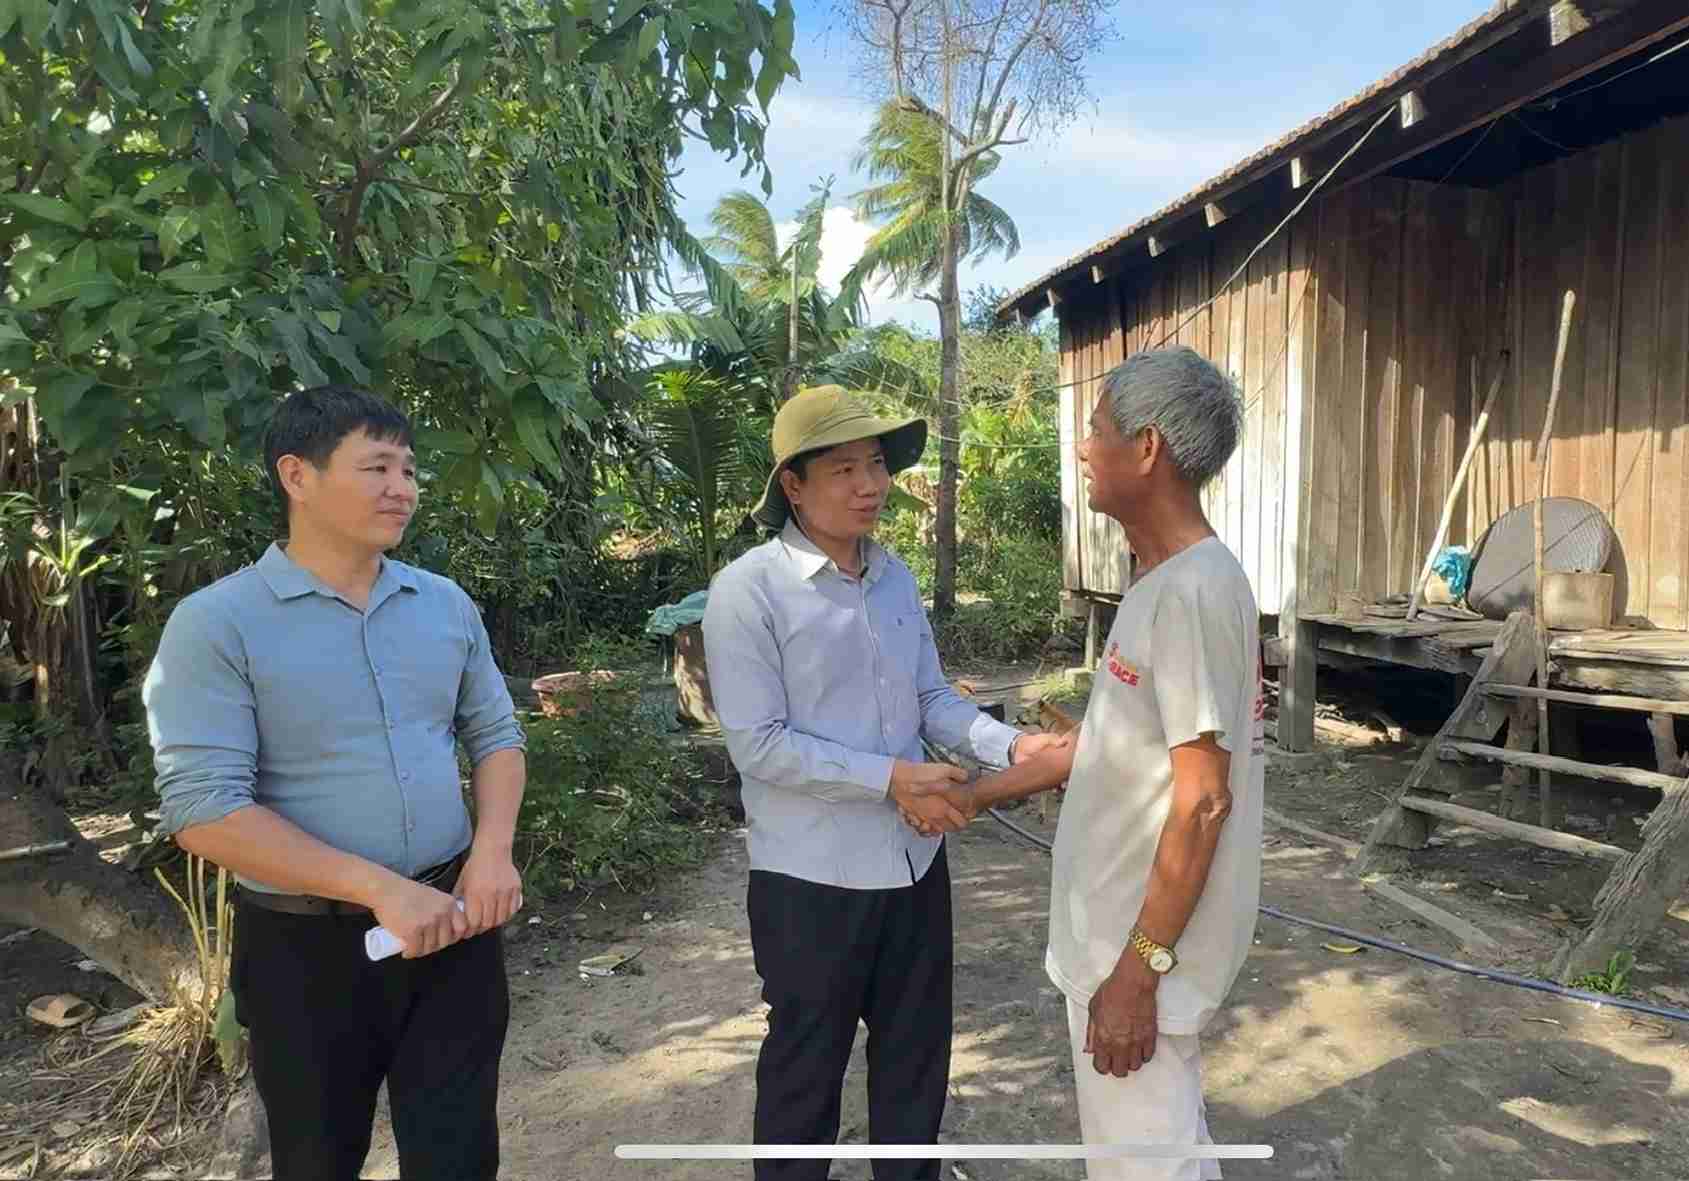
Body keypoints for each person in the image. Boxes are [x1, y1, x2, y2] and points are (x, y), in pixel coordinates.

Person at [143, 385, 527, 1181]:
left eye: (410, 469)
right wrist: (377, 887)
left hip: (454, 927)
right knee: (317, 1159)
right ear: (297, 474)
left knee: (459, 1156)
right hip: (305, 953)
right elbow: (203, 808)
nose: (403, 487)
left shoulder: (443, 604)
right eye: (377, 465)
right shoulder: (219, 623)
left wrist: (492, 853)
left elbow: (495, 735)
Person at [702, 385, 1065, 1181]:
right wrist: (890, 777)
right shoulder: (748, 591)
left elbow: (931, 697)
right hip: (811, 880)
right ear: (791, 485)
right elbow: (758, 745)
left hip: (912, 866)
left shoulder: (893, 576)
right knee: (804, 1071)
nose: (870, 485)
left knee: (914, 1060)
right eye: (843, 468)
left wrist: (1015, 746)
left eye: (875, 465)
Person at [928, 348, 1262, 1180]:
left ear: (1145, 449)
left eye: (1095, 430)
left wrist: (1137, 972)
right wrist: (975, 794)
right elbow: (1108, 747)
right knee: (1163, 1147)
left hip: (1135, 946)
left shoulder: (1190, 592)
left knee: (1141, 1161)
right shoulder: (1158, 583)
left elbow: (1201, 804)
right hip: (1116, 934)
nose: (1082, 448)